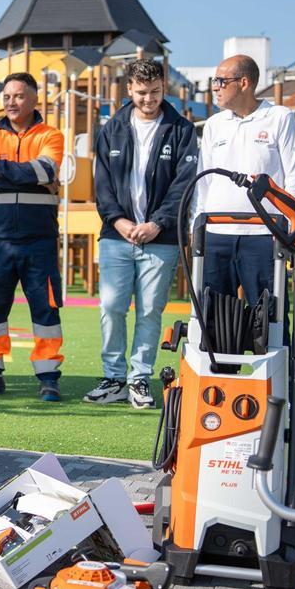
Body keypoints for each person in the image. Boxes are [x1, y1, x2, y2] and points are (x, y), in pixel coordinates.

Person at [85, 59, 198, 409]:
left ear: (164, 88)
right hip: (116, 235)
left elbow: (184, 184)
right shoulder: (112, 128)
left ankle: (138, 379)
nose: (149, 99)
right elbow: (100, 182)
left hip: (160, 238)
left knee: (150, 310)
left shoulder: (181, 130)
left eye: (155, 92)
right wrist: (117, 220)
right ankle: (114, 378)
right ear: (129, 90)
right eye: (141, 93)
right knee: (111, 306)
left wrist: (158, 223)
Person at [0, 73, 66, 401]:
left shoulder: (51, 135)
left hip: (39, 239)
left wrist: (0, 167)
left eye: (19, 96)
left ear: (34, 100)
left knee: (46, 309)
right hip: (0, 238)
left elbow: (47, 171)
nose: (11, 102)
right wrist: (30, 174)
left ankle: (48, 378)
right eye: (7, 96)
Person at [195, 54, 295, 306]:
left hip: (263, 234)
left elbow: (294, 177)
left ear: (244, 83)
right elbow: (203, 181)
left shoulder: (280, 117)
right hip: (216, 233)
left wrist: (287, 229)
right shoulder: (213, 124)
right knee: (213, 319)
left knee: (269, 319)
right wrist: (197, 225)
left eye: (221, 81)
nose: (214, 87)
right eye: (214, 81)